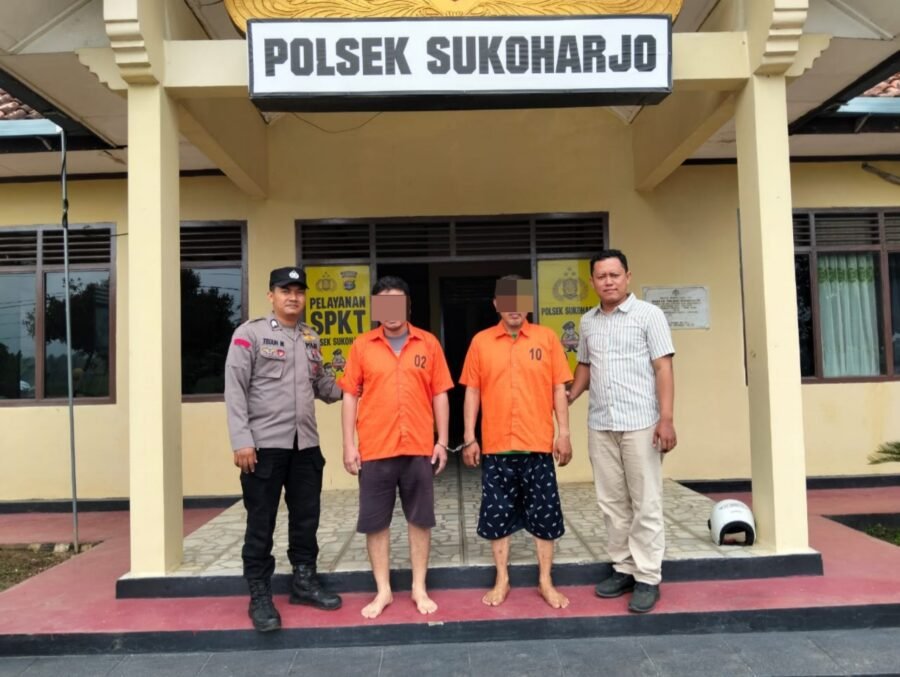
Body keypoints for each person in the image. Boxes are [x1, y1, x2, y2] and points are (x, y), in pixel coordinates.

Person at [225, 266, 343, 633]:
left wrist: (359, 384)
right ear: (271, 295)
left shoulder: (311, 337)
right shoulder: (250, 334)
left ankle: (304, 581)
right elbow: (234, 389)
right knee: (261, 522)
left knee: (306, 518)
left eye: (299, 291)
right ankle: (259, 594)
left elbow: (323, 386)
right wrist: (241, 439)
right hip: (263, 447)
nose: (293, 297)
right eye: (285, 290)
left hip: (305, 444)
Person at [568, 250, 676, 614]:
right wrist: (569, 395)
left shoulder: (649, 315)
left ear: (628, 277)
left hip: (641, 424)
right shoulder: (588, 322)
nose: (608, 281)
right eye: (601, 276)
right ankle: (624, 568)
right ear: (592, 282)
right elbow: (585, 365)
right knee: (612, 503)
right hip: (601, 424)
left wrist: (666, 419)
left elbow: (663, 368)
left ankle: (647, 576)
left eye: (615, 275)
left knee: (646, 501)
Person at [340, 276, 453, 619]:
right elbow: (350, 395)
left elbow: (440, 393)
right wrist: (348, 444)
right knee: (376, 522)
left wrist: (442, 441)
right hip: (375, 448)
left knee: (420, 519)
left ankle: (419, 587)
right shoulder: (362, 346)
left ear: (408, 306)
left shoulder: (428, 343)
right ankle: (383, 590)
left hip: (418, 446)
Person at [460, 276, 573, 609]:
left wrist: (564, 433)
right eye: (506, 301)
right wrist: (469, 437)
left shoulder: (547, 338)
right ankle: (502, 578)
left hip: (538, 445)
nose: (513, 308)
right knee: (498, 515)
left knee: (545, 515)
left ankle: (545, 580)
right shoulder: (481, 342)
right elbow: (472, 391)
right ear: (496, 304)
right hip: (496, 446)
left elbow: (558, 388)